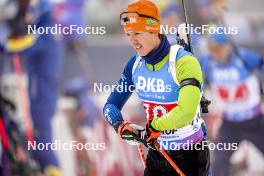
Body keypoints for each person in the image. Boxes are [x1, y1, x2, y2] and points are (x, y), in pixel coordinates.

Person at [103, 0, 210, 175]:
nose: (132, 41)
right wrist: (120, 127)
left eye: (137, 33)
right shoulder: (135, 65)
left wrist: (152, 128)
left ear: (154, 29)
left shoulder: (183, 62)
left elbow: (186, 112)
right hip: (157, 153)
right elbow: (110, 106)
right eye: (128, 34)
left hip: (190, 155)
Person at [0, 0, 63, 175]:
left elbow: (23, 47)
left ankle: (51, 169)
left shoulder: (47, 29)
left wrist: (6, 43)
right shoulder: (48, 25)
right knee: (37, 134)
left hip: (41, 89)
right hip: (41, 86)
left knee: (41, 134)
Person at [199, 31, 264, 176]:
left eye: (219, 49)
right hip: (230, 125)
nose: (215, 53)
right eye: (212, 49)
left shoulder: (244, 57)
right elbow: (191, 72)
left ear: (227, 46)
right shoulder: (207, 62)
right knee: (217, 166)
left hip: (256, 122)